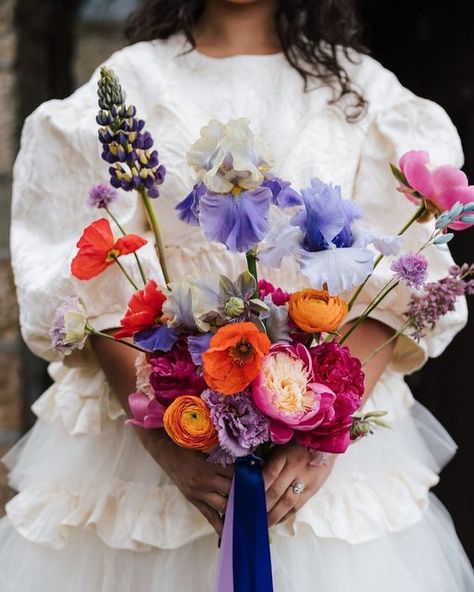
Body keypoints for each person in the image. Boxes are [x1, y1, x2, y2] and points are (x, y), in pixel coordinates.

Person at [1, 0, 473, 589]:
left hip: (321, 456)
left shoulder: (364, 94)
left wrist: (322, 436)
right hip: (151, 437)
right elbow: (92, 288)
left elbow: (399, 286)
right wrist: (162, 436)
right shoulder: (128, 83)